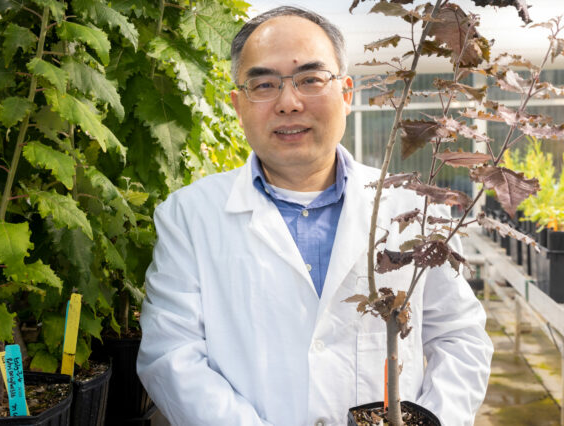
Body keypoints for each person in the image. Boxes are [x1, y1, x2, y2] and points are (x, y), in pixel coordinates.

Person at [136, 6, 493, 426]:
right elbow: (172, 355)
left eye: (310, 79)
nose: (289, 103)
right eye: (264, 84)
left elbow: (460, 337)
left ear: (346, 93)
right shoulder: (188, 216)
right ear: (238, 104)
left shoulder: (413, 208)